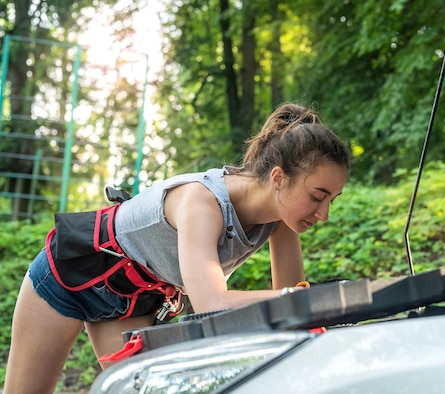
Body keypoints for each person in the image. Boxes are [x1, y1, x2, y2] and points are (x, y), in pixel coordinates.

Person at [4, 102, 352, 394]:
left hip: (136, 299)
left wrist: (327, 309)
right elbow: (212, 303)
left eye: (331, 201)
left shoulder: (281, 218)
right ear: (278, 178)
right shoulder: (201, 202)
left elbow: (292, 303)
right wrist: (314, 299)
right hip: (70, 274)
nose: (323, 214)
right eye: (317, 197)